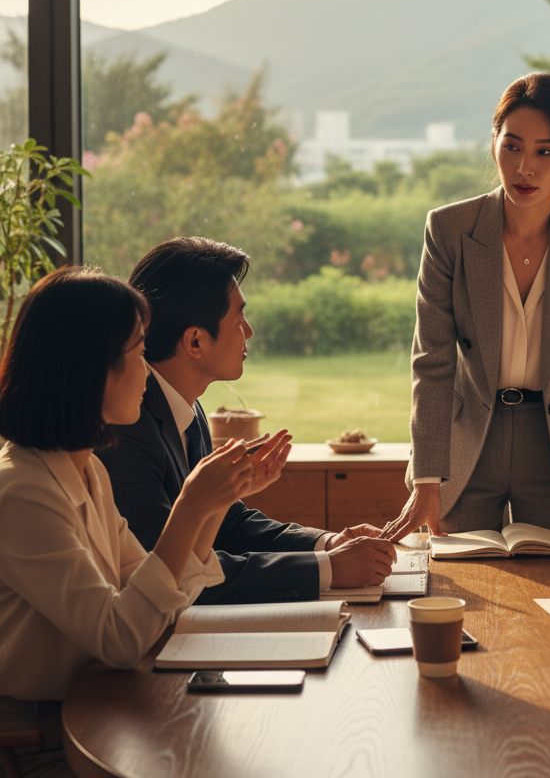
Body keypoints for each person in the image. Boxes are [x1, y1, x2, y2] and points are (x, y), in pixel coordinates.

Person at [0, 265, 283, 778]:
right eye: (133, 354)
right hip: (29, 759)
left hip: (93, 729)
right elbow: (122, 638)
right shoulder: (21, 494)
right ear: (85, 372)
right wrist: (189, 506)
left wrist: (209, 507)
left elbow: (160, 606)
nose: (145, 373)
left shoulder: (85, 471)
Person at [386, 72, 550, 539]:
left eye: (546, 152)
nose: (525, 168)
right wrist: (426, 479)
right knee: (459, 589)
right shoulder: (449, 230)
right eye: (512, 146)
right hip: (466, 448)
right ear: (494, 142)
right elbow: (432, 363)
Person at [97, 237, 396, 604]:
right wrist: (329, 568)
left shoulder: (186, 407)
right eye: (239, 317)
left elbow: (224, 525)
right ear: (195, 342)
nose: (249, 330)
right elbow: (176, 570)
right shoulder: (126, 429)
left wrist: (328, 543)